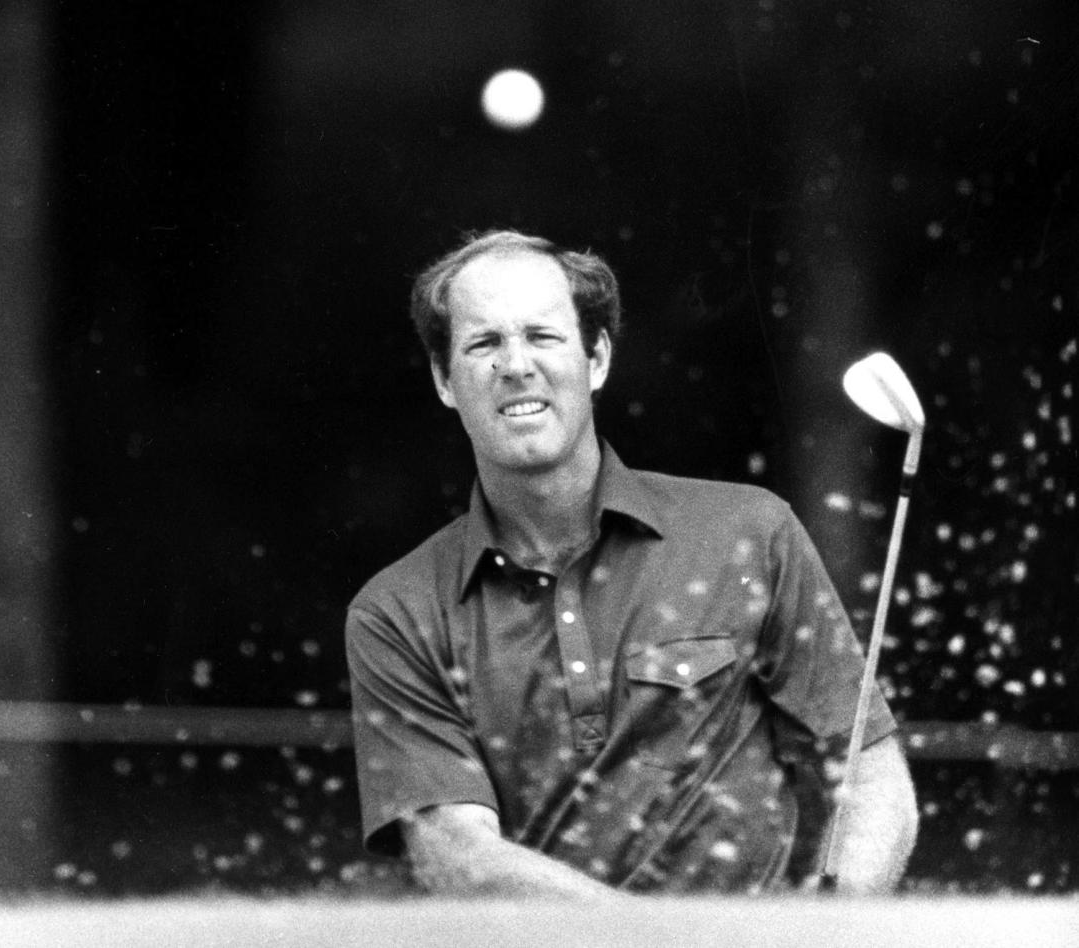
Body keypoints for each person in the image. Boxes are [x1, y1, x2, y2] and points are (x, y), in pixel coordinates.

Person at [345, 230, 918, 899]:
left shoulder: (750, 533)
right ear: (446, 380)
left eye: (543, 335)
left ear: (596, 359)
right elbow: (458, 856)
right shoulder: (396, 611)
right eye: (484, 343)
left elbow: (873, 775)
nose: (515, 364)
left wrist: (836, 921)